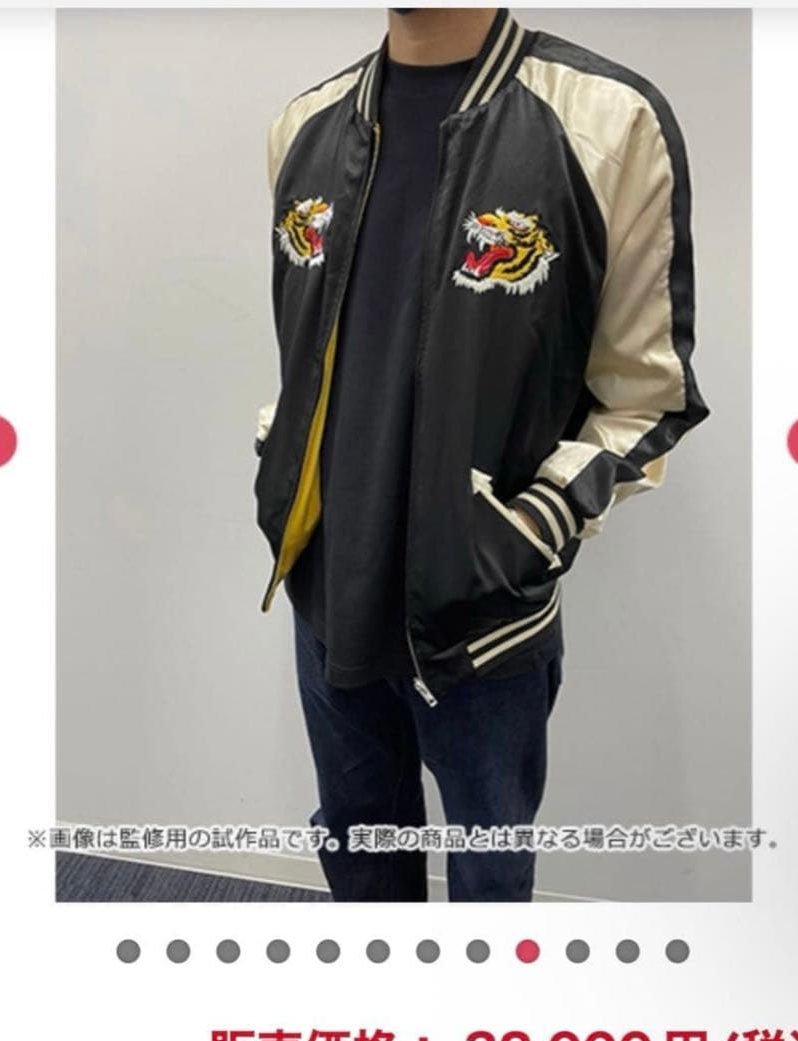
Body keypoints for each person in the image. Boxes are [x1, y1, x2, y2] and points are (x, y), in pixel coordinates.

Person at [253, 7, 710, 902]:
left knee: (490, 877)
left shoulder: (607, 119)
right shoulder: (303, 126)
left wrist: (525, 529)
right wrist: (280, 458)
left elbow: (648, 393)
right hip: (327, 588)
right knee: (357, 849)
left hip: (483, 615)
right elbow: (313, 348)